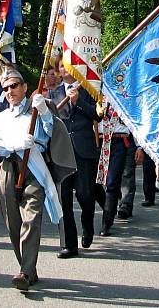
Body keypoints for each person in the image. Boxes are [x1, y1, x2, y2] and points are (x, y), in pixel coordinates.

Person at [0, 66, 74, 290]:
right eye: (6, 88)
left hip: (34, 170)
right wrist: (12, 145)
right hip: (9, 168)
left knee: (31, 218)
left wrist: (44, 111)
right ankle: (28, 269)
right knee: (12, 222)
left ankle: (24, 272)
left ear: (24, 87)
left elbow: (52, 132)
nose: (10, 91)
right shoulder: (1, 117)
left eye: (14, 86)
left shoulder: (37, 110)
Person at [50, 59, 103, 258]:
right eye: (61, 66)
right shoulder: (53, 95)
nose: (64, 69)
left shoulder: (89, 90)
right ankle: (69, 245)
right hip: (61, 152)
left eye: (68, 64)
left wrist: (78, 101)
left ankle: (88, 227)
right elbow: (50, 122)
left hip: (84, 150)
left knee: (85, 195)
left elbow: (98, 116)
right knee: (64, 199)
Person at [96, 102, 133, 235]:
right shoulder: (95, 91)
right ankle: (108, 206)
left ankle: (106, 223)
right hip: (98, 140)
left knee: (112, 182)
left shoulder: (125, 95)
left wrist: (140, 147)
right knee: (94, 182)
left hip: (119, 140)